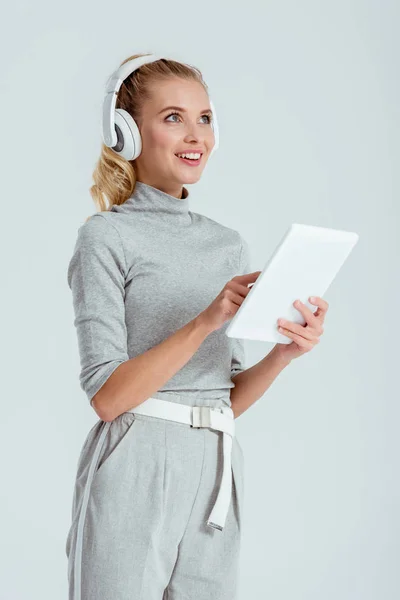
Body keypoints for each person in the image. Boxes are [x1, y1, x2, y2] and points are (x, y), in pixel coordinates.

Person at [65, 53, 260, 600]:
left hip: (217, 463)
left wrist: (287, 353)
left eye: (203, 117)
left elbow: (226, 395)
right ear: (126, 132)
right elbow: (107, 398)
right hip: (136, 458)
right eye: (173, 117)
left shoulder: (227, 243)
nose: (194, 133)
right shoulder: (105, 238)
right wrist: (206, 320)